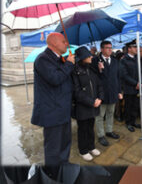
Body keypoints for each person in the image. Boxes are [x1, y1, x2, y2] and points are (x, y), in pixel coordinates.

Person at [31, 32, 75, 169]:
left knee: (65, 142)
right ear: (54, 43)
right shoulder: (43, 59)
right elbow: (55, 79)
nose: (66, 44)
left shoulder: (60, 59)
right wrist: (69, 64)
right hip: (52, 111)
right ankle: (53, 173)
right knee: (54, 147)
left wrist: (68, 62)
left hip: (63, 109)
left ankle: (64, 166)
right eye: (63, 41)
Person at [71, 46, 103, 161]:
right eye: (88, 55)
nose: (91, 57)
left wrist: (100, 98)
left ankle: (91, 146)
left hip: (94, 104)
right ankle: (83, 150)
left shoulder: (91, 69)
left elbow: (99, 85)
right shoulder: (75, 71)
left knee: (90, 127)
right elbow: (76, 91)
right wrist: (91, 101)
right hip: (83, 106)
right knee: (83, 129)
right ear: (82, 57)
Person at [93, 40, 122, 147]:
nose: (110, 50)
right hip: (101, 94)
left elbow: (118, 77)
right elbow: (93, 78)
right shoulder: (95, 61)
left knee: (110, 113)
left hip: (113, 92)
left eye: (111, 47)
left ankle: (109, 130)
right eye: (107, 48)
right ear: (101, 49)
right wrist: (100, 70)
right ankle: (101, 135)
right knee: (100, 115)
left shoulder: (115, 61)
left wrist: (119, 91)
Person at [119, 41, 142, 132]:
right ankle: (128, 123)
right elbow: (124, 75)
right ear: (129, 49)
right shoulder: (124, 60)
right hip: (129, 88)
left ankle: (133, 121)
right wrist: (136, 83)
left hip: (138, 87)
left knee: (135, 106)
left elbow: (141, 71)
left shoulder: (137, 59)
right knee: (128, 106)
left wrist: (141, 81)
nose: (136, 49)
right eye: (134, 47)